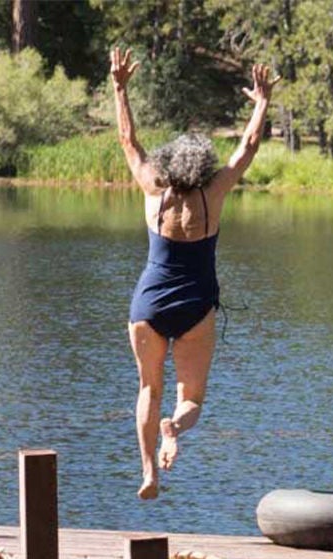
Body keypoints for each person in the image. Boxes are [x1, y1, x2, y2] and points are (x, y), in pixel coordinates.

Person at [110, 47, 274, 499]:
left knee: (149, 386)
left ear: (169, 164)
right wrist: (260, 102)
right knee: (192, 398)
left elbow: (128, 140)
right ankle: (174, 427)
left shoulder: (152, 189)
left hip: (149, 304)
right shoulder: (213, 194)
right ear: (202, 164)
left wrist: (120, 87)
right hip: (196, 306)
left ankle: (148, 471)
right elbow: (248, 148)